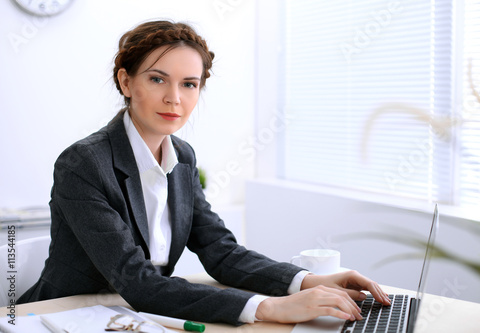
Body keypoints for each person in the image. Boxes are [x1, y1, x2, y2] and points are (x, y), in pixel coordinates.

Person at [17, 20, 390, 326]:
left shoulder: (181, 155)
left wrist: (307, 281)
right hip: (65, 316)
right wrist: (268, 307)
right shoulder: (83, 163)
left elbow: (220, 251)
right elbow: (138, 281)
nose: (174, 98)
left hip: (138, 314)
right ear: (126, 82)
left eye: (189, 84)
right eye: (158, 79)